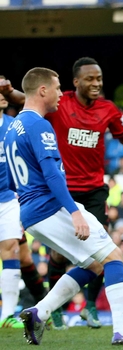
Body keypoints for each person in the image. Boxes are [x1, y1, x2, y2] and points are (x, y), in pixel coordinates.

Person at [0, 57, 123, 330]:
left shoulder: (12, 128)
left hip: (31, 212)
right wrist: (74, 210)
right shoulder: (40, 124)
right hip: (53, 205)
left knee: (95, 265)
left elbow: (9, 178)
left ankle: (39, 313)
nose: (60, 92)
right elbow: (53, 174)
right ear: (43, 90)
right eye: (57, 88)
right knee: (113, 256)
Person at [0, 78, 49, 329]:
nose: (2, 95)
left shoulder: (12, 126)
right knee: (23, 256)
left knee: (12, 250)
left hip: (9, 199)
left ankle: (7, 315)